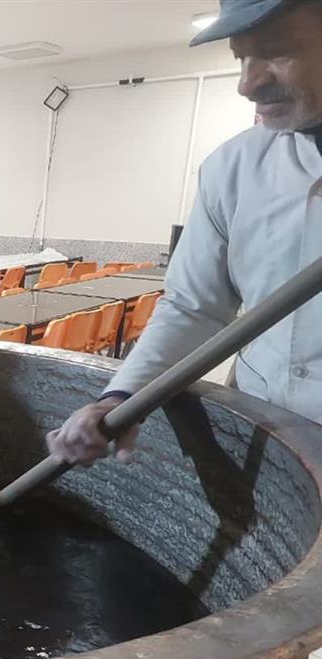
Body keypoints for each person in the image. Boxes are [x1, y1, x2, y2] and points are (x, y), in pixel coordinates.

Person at [48, 0, 322, 466]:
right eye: (241, 57)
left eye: (277, 50)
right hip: (268, 429)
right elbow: (194, 307)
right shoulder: (232, 168)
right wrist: (122, 397)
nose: (247, 84)